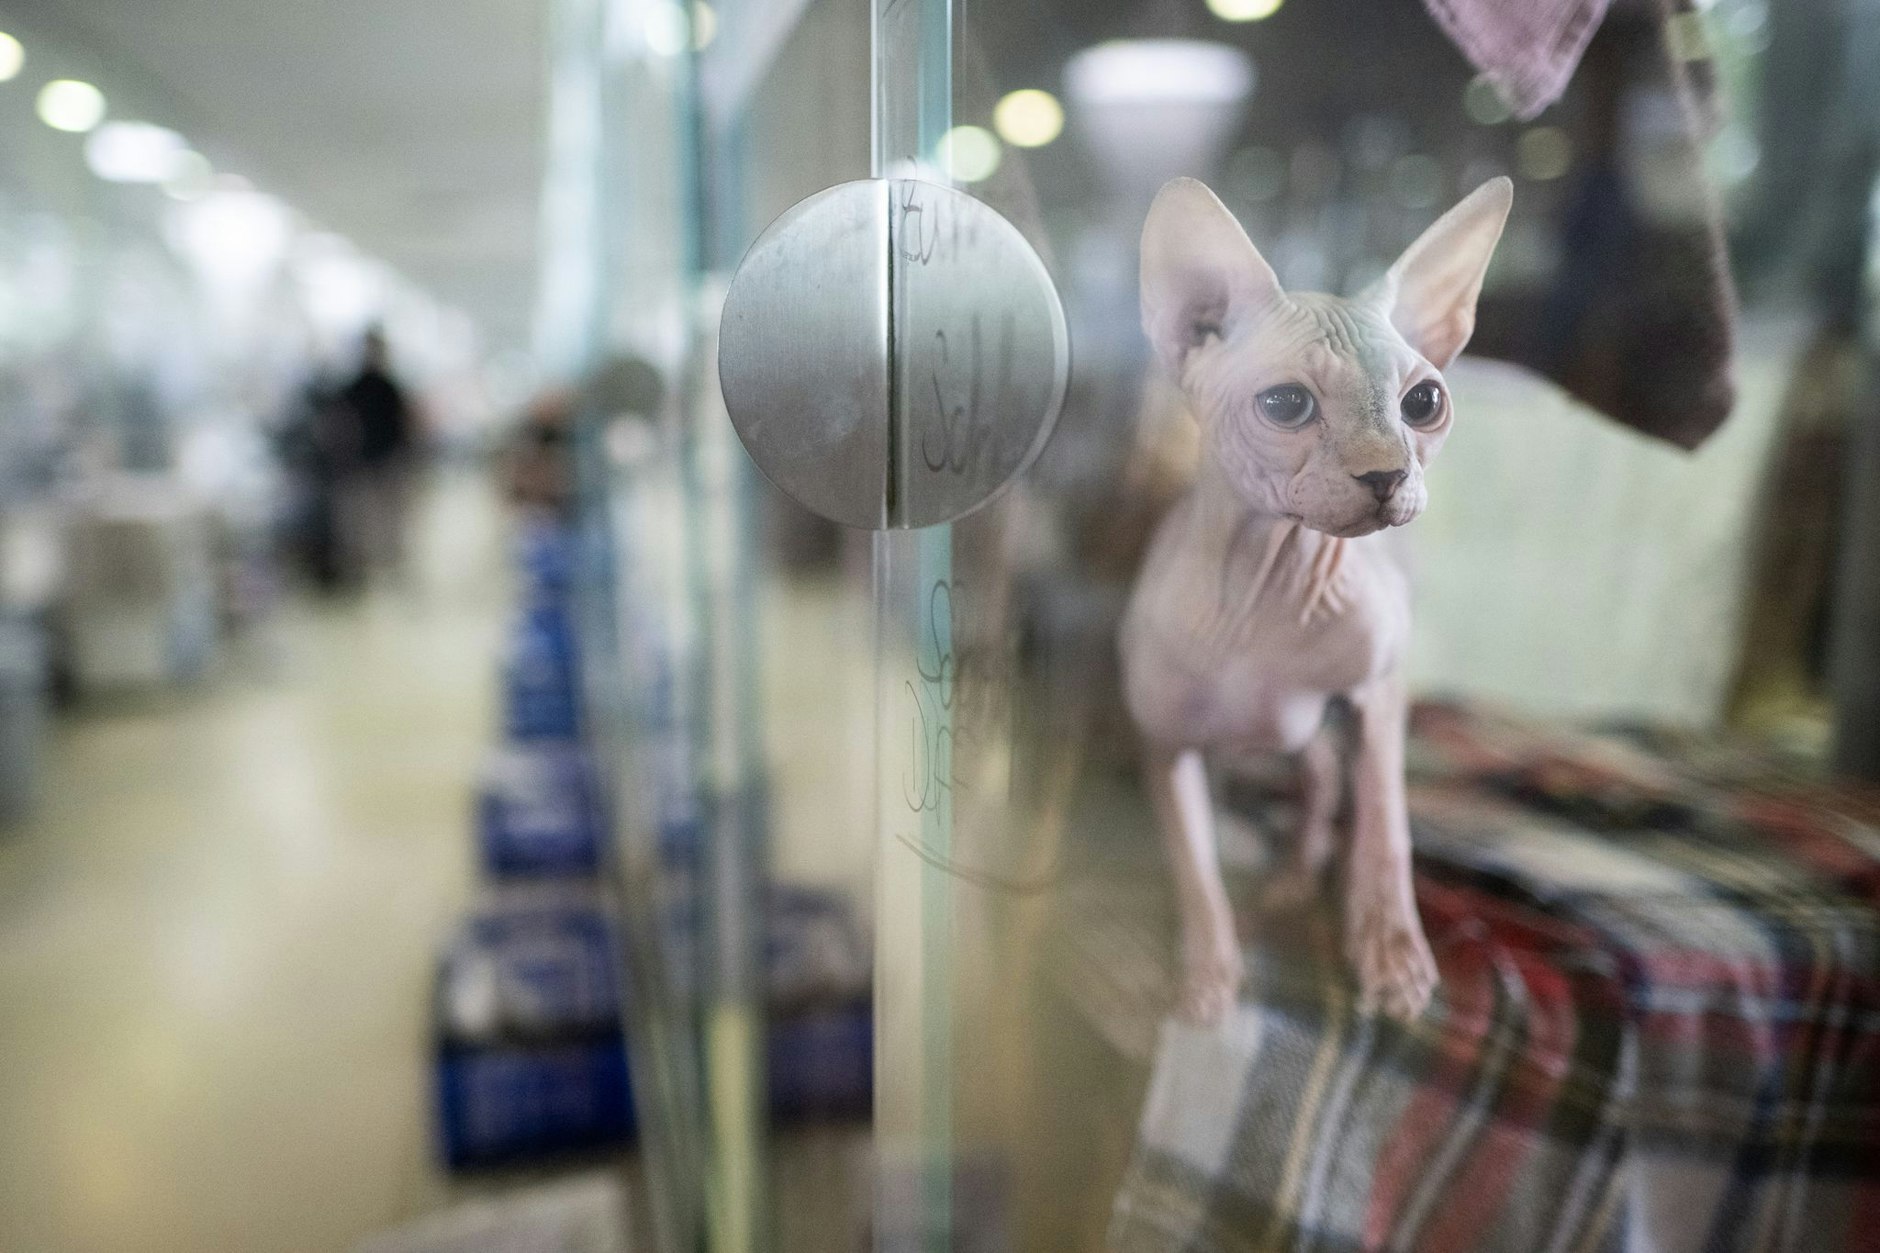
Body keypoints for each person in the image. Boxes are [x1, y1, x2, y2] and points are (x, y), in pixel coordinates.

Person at [332, 328, 418, 586]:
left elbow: (406, 425)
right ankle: (362, 568)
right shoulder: (353, 388)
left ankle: (391, 565)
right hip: (361, 463)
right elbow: (342, 426)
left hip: (389, 460)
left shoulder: (391, 388)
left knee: (390, 519)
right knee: (361, 520)